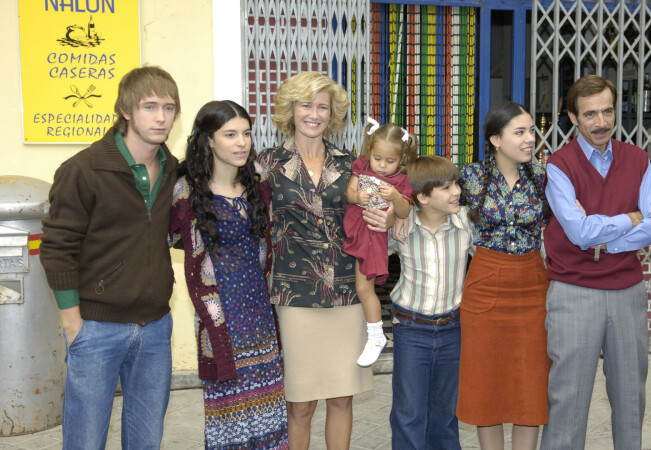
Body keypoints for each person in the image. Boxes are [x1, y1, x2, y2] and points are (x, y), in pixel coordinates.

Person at [39, 66, 180, 449]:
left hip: (155, 327)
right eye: (149, 107)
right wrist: (73, 324)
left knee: (146, 441)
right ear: (125, 110)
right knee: (85, 442)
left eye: (169, 108)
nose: (161, 117)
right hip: (95, 327)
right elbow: (57, 247)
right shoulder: (82, 170)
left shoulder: (173, 171)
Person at [256, 71, 395, 449]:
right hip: (293, 294)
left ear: (332, 114)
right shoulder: (266, 163)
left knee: (341, 397)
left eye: (322, 107)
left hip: (347, 293)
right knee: (300, 404)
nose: (314, 114)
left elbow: (383, 210)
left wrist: (389, 217)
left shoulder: (353, 164)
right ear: (291, 109)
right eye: (306, 105)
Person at [540, 75, 651, 449]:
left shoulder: (637, 159)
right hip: (574, 292)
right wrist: (630, 218)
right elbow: (579, 232)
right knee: (568, 400)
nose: (601, 122)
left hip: (628, 291)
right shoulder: (559, 165)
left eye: (607, 111)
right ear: (573, 117)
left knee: (631, 399)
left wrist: (606, 242)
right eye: (590, 114)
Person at [169, 100, 288, 448]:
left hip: (260, 316)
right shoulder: (186, 191)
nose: (242, 143)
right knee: (230, 416)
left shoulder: (258, 186)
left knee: (268, 410)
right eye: (230, 134)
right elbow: (172, 239)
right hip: (221, 318)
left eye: (246, 134)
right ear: (208, 140)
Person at [456, 101, 551, 449]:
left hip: (533, 286)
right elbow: (429, 204)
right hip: (485, 284)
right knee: (487, 387)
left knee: (531, 385)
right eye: (520, 132)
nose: (530, 139)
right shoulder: (470, 177)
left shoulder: (543, 176)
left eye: (531, 131)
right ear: (496, 139)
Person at [388, 155, 473, 450]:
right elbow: (369, 247)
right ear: (422, 197)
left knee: (446, 411)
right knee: (409, 411)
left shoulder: (466, 223)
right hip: (410, 328)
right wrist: (393, 215)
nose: (457, 192)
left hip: (453, 328)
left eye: (456, 184)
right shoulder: (401, 225)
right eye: (446, 187)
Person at [344, 120, 415, 367]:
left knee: (364, 288)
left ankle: (376, 335)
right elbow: (349, 194)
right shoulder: (361, 166)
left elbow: (404, 212)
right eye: (377, 159)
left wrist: (395, 197)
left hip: (372, 236)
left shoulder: (401, 181)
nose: (382, 166)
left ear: (401, 159)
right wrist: (357, 196)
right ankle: (375, 334)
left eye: (390, 161)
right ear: (369, 152)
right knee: (362, 287)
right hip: (355, 228)